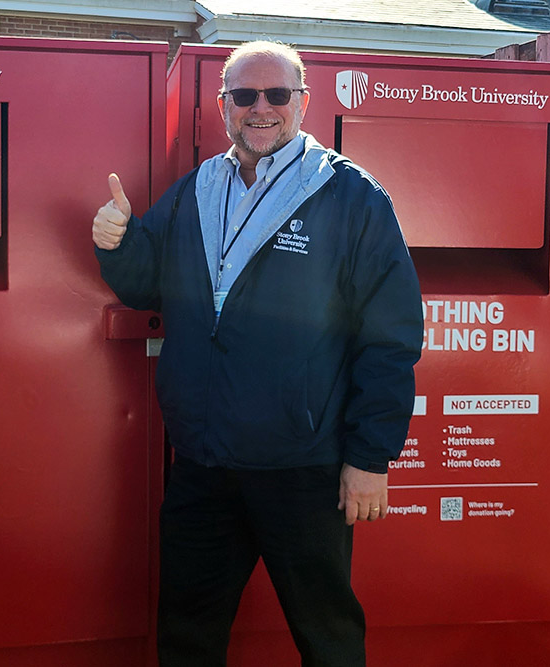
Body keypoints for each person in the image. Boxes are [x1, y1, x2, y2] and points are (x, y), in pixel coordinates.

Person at [92, 41, 423, 666]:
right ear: (224, 106)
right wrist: (116, 241)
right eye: (245, 96)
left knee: (327, 637)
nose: (261, 108)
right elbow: (145, 282)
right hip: (204, 463)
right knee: (187, 635)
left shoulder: (351, 197)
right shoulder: (197, 189)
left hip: (304, 468)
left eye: (277, 95)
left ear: (304, 101)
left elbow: (391, 338)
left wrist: (371, 457)